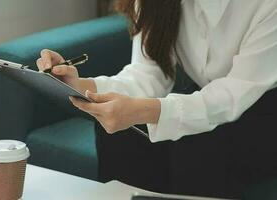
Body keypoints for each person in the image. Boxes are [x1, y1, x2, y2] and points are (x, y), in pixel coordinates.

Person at [37, 0, 277, 198]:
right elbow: (148, 75)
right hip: (207, 99)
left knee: (197, 146)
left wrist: (146, 111)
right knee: (122, 132)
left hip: (265, 112)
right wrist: (81, 85)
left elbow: (232, 94)